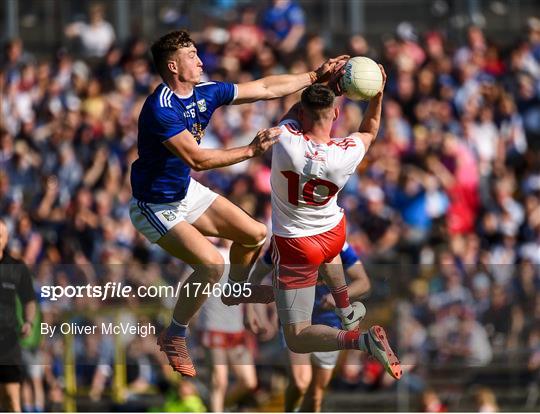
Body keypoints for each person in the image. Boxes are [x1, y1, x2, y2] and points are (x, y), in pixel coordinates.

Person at [128, 29, 348, 377]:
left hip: (184, 192)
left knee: (255, 234)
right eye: (191, 56)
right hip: (154, 206)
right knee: (212, 264)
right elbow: (197, 159)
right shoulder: (160, 109)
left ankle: (235, 291)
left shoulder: (205, 92)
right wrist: (250, 150)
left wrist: (313, 75)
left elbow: (262, 88)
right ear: (173, 66)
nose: (200, 61)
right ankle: (175, 334)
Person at [264, 70, 402, 380]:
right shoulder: (345, 153)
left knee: (298, 337)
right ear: (336, 114)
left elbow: (288, 116)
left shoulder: (285, 141)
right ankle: (345, 308)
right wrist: (377, 95)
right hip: (332, 233)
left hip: (296, 242)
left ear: (302, 113)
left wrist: (324, 80)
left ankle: (360, 340)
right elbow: (371, 128)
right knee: (329, 256)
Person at [251, 242, 371, 411]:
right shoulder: (283, 240)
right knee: (301, 382)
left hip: (329, 325)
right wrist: (254, 313)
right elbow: (256, 277)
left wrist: (337, 296)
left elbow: (364, 282)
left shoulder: (338, 244)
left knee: (315, 394)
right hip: (294, 321)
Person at [198, 242, 257, 412]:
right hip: (212, 325)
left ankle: (215, 407)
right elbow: (185, 286)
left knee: (249, 381)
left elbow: (248, 290)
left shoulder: (245, 259)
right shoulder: (209, 254)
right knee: (219, 381)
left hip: (235, 328)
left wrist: (251, 315)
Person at [0, 218, 37, 412]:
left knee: (11, 397)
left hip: (7, 342)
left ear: (6, 239)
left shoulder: (16, 267)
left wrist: (28, 322)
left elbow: (29, 300)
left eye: (0, 235)